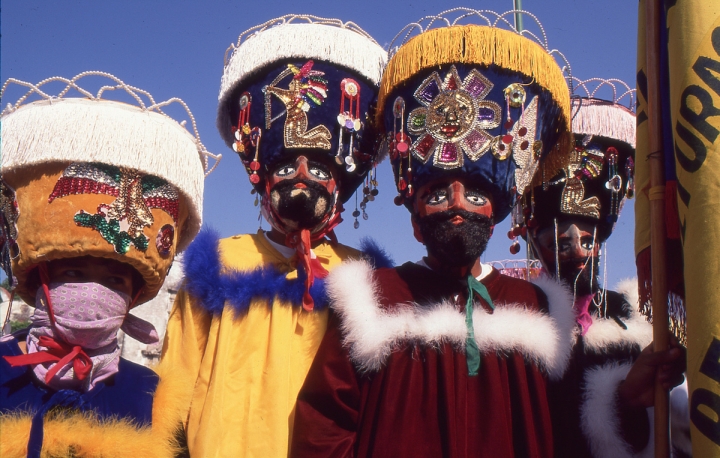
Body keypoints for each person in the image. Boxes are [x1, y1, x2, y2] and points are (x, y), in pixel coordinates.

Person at [290, 11, 580, 457]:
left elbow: (571, 429)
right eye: (438, 192)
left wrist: (631, 395)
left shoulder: (536, 308)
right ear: (414, 218)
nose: (457, 204)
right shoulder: (374, 297)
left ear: (498, 213)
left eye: (476, 194)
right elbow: (324, 424)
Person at [160, 15, 388, 457]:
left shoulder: (362, 276)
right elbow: (177, 376)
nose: (301, 178)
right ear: (263, 182)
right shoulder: (221, 261)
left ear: (339, 187)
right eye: (285, 167)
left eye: (319, 169)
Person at [0, 72, 213, 458]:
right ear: (41, 277)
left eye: (114, 280)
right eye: (74, 273)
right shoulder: (2, 368)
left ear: (132, 297)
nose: (93, 292)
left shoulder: (153, 394)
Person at [517, 89, 688, 457]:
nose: (578, 252)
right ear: (535, 244)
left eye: (588, 240)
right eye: (559, 242)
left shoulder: (635, 318)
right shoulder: (518, 318)